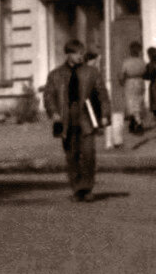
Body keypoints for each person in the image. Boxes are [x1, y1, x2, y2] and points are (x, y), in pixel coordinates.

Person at [41, 39, 109, 201]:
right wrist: (54, 113)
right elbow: (48, 96)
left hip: (86, 119)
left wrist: (105, 114)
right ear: (68, 54)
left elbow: (102, 94)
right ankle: (77, 189)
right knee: (71, 156)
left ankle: (87, 189)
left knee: (88, 154)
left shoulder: (91, 72)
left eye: (82, 53)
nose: (80, 56)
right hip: (66, 121)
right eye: (77, 53)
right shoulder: (56, 75)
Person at [119, 41, 148, 143]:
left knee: (131, 103)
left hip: (130, 82)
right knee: (139, 102)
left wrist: (122, 81)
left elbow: (122, 74)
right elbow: (145, 72)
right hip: (140, 82)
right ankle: (132, 124)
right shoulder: (142, 62)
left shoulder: (127, 62)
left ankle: (138, 124)